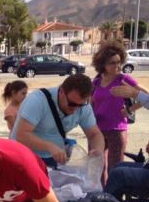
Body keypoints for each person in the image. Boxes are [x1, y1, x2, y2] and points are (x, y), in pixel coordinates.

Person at [12, 74, 104, 168]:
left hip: (53, 157)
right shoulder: (37, 101)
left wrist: (98, 150)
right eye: (71, 104)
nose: (75, 109)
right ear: (61, 92)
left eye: (81, 105)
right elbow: (22, 135)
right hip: (24, 156)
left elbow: (94, 134)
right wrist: (50, 146)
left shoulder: (83, 105)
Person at [91, 41, 141, 185]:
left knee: (115, 170)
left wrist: (130, 110)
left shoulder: (124, 79)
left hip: (116, 130)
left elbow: (146, 96)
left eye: (119, 62)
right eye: (112, 63)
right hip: (97, 131)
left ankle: (114, 201)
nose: (117, 66)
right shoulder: (97, 81)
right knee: (97, 168)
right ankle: (100, 199)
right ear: (102, 64)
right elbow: (92, 103)